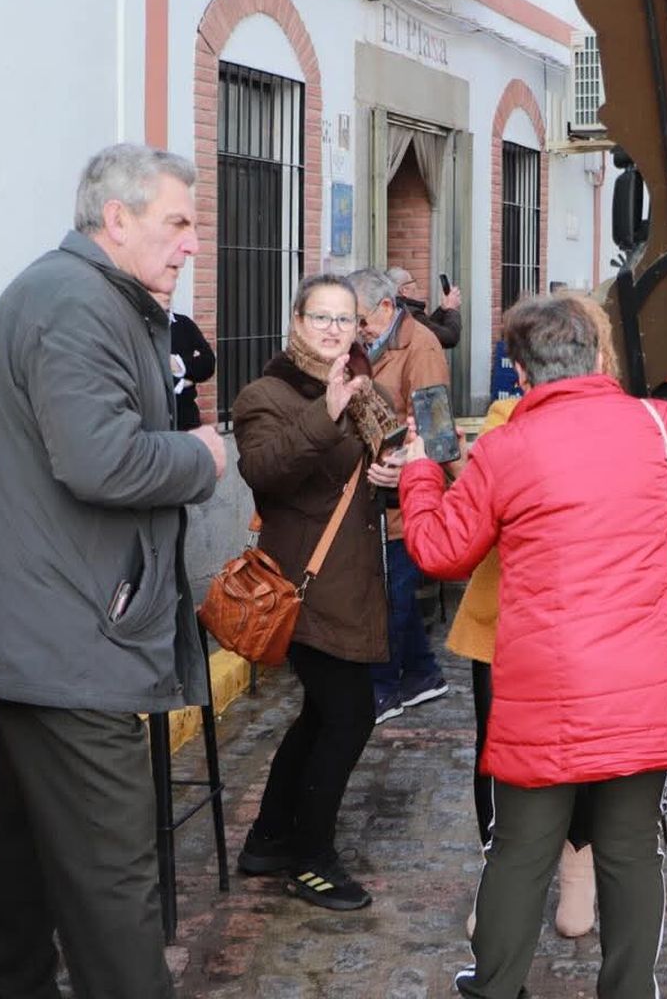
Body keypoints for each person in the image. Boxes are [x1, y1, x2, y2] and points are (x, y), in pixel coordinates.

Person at [400, 294, 667, 998]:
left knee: (518, 853)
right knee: (633, 851)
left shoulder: (507, 447)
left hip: (543, 686)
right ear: (600, 357)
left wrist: (422, 471)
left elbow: (440, 551)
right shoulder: (663, 427)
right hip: (643, 675)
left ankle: (496, 987)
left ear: (520, 370)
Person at [0, 144, 226, 999]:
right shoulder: (74, 303)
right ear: (117, 219)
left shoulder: (82, 295)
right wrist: (203, 456)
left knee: (27, 874)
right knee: (113, 885)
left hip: (58, 630)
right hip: (72, 637)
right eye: (177, 222)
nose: (191, 245)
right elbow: (101, 462)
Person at [445, 296, 620, 943]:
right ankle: (501, 874)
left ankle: (578, 870)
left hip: (591, 625)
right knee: (497, 755)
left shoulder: (621, 420)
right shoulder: (505, 416)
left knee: (584, 755)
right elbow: (479, 506)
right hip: (503, 625)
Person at [231, 273, 390, 911]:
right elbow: (264, 471)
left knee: (323, 715)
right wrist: (324, 411)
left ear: (359, 328)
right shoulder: (264, 394)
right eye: (320, 317)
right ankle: (312, 858)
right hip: (304, 586)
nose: (332, 330)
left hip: (351, 579)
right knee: (349, 715)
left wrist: (393, 474)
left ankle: (269, 838)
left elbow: (363, 480)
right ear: (296, 321)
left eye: (344, 320)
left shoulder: (364, 392)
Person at [349, 266, 452, 723]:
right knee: (396, 591)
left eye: (358, 318)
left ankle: (382, 688)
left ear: (387, 308)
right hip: (368, 494)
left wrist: (408, 468)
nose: (353, 329)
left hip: (403, 494)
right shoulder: (365, 345)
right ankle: (424, 675)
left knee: (389, 594)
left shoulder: (422, 346)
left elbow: (436, 430)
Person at [388, 264, 462, 349]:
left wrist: (443, 309)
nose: (416, 285)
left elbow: (427, 330)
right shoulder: (409, 314)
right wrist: (452, 309)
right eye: (413, 281)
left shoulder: (396, 310)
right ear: (404, 290)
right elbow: (449, 338)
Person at [168, 305, 215, 430]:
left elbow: (208, 364)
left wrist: (179, 364)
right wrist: (182, 382)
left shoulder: (184, 324)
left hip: (187, 417)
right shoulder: (137, 329)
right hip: (153, 423)